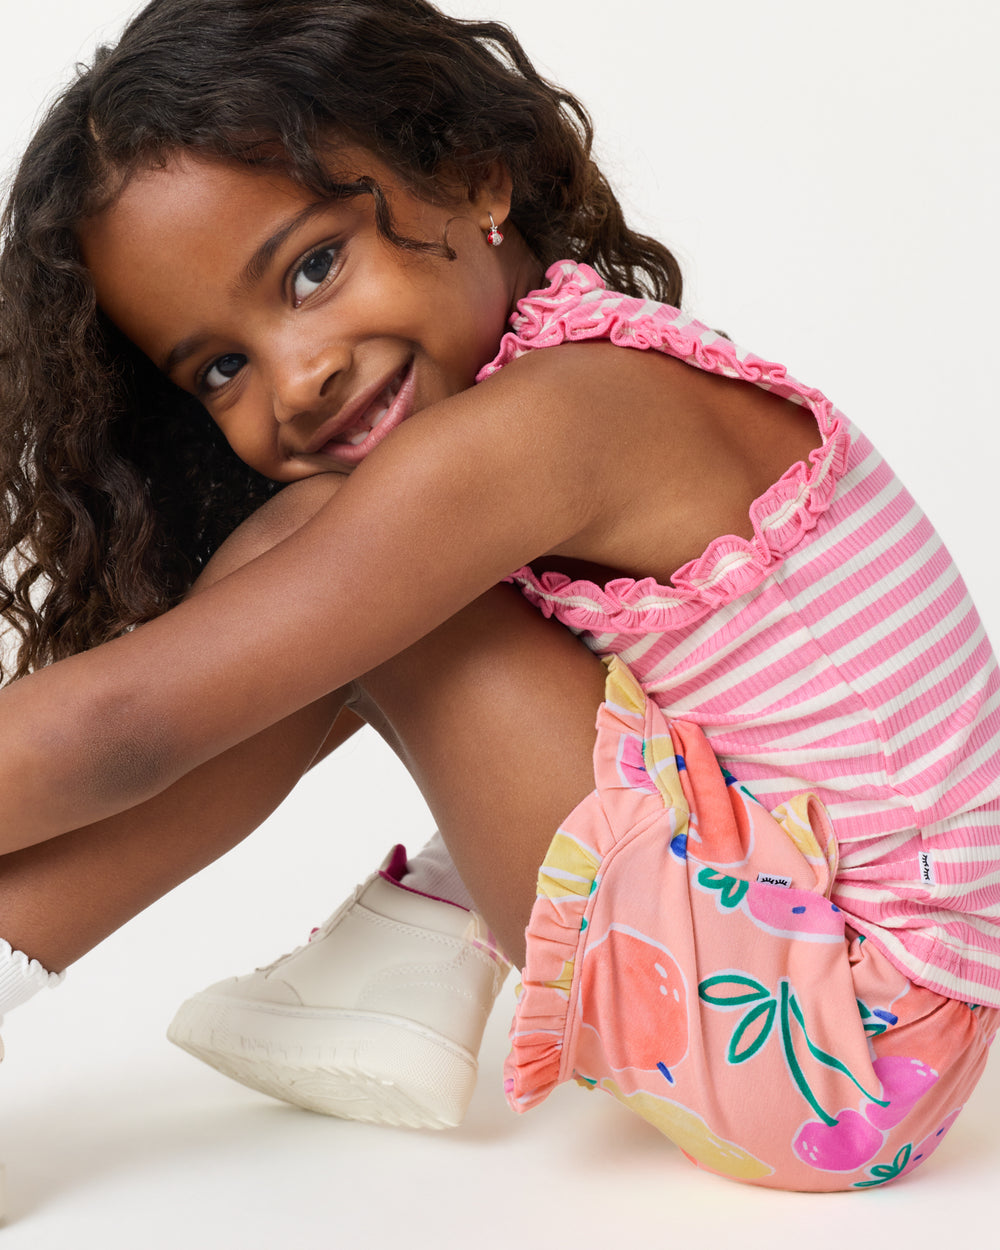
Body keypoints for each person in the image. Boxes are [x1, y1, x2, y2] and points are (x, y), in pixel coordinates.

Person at [0, 0, 997, 1194]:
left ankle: (411, 944)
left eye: (314, 267)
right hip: (846, 1010)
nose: (298, 375)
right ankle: (410, 950)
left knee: (327, 560)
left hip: (843, 1043)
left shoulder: (554, 422)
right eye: (222, 366)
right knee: (336, 576)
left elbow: (128, 726)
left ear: (474, 176)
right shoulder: (569, 372)